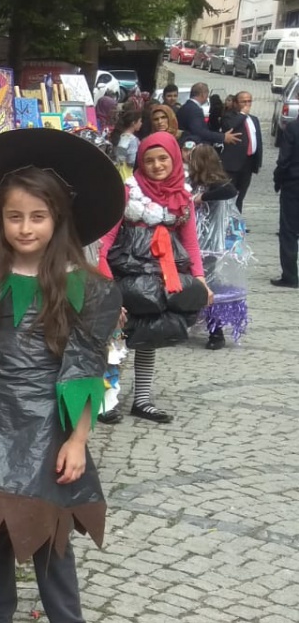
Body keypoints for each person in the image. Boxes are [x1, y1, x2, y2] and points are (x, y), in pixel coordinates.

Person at [0, 129, 123, 623]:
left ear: (57, 219)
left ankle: (69, 622)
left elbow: (84, 367)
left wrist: (78, 440)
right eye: (15, 217)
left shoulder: (81, 284)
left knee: (50, 524)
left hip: (49, 417)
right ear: (0, 219)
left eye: (38, 217)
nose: (25, 227)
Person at [97, 133, 213, 422]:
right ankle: (105, 400)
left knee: (150, 334)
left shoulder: (183, 197)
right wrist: (108, 290)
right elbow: (104, 243)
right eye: (149, 160)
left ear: (174, 158)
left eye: (163, 158)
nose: (157, 165)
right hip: (124, 275)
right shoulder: (127, 193)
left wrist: (200, 279)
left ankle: (143, 400)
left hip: (161, 279)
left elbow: (191, 243)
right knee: (114, 336)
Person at [186, 144, 240, 349]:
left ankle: (216, 332)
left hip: (210, 246)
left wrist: (202, 197)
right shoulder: (193, 182)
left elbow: (230, 190)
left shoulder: (217, 183)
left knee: (209, 286)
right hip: (192, 243)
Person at [220, 91, 263, 210]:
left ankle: (238, 218)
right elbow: (229, 126)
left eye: (249, 101)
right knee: (229, 195)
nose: (247, 104)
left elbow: (257, 140)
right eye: (243, 102)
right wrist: (243, 114)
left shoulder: (254, 119)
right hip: (233, 164)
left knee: (241, 196)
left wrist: (258, 161)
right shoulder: (229, 117)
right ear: (235, 103)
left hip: (248, 162)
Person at [273, 115, 299, 288]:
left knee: (289, 231)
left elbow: (284, 159)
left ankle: (290, 276)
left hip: (293, 184)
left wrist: (278, 180)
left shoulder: (293, 128)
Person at [177, 83, 240, 147]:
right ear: (203, 94)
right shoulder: (194, 109)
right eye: (207, 93)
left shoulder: (186, 106)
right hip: (192, 146)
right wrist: (222, 137)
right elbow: (199, 132)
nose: (208, 96)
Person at [111, 108, 142, 179]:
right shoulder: (133, 140)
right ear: (133, 123)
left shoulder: (121, 136)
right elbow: (131, 161)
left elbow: (119, 156)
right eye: (140, 121)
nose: (141, 123)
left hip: (119, 170)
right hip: (128, 173)